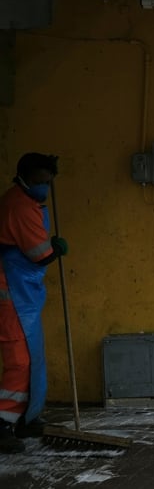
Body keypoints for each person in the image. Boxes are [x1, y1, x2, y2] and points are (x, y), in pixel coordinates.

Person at [0, 153, 68, 454]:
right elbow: (40, 255)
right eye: (41, 182)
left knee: (33, 356)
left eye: (49, 183)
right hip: (11, 293)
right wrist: (55, 248)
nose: (45, 188)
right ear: (24, 178)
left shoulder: (28, 202)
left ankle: (26, 416)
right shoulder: (19, 207)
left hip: (24, 294)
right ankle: (3, 423)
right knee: (20, 361)